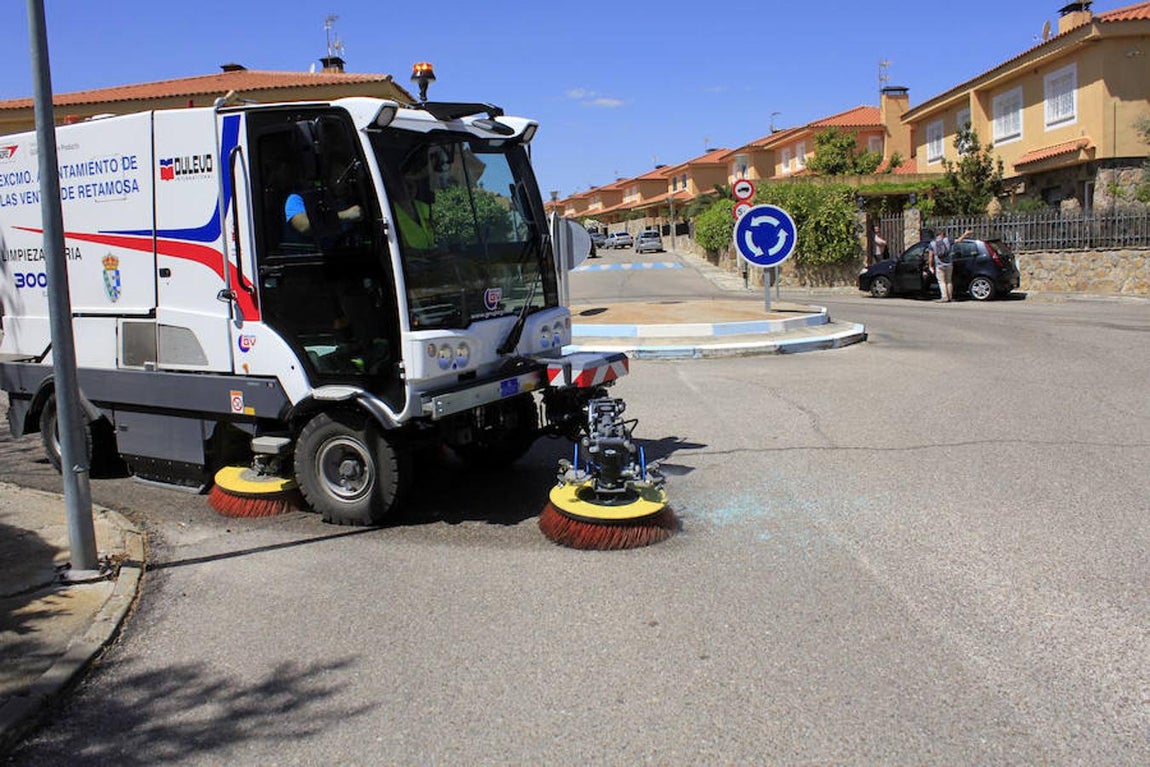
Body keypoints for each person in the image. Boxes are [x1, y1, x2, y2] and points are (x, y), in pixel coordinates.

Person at [928, 228, 972, 302]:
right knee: (949, 281)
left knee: (942, 281)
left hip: (939, 265)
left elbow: (930, 256)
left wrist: (930, 266)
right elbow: (959, 240)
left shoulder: (932, 244)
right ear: (942, 234)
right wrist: (965, 234)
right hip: (949, 264)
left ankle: (944, 297)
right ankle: (950, 297)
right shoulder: (947, 240)